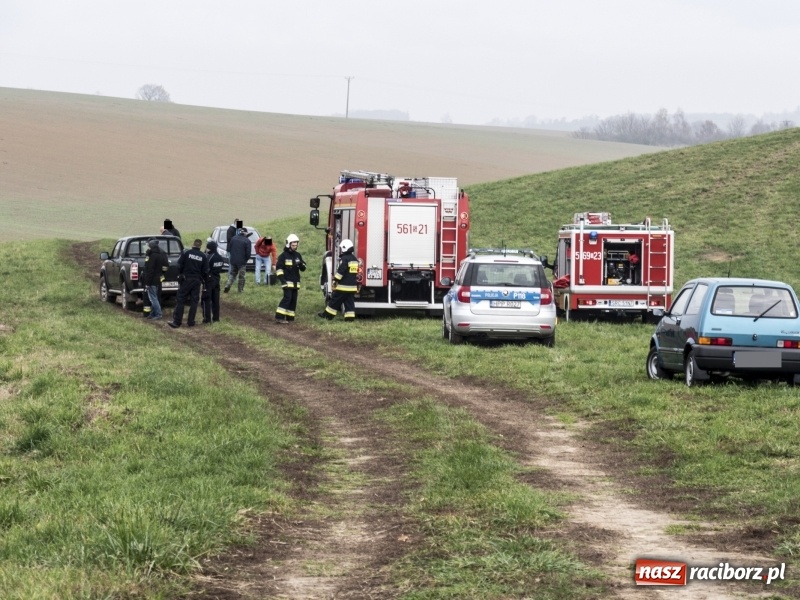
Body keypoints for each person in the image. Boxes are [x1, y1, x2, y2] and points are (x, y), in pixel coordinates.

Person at [168, 239, 209, 329]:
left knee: (181, 299)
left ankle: (177, 322)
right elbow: (206, 270)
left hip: (186, 279)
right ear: (200, 246)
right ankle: (191, 322)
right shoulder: (203, 256)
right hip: (197, 280)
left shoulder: (187, 253)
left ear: (193, 244)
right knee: (194, 301)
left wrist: (181, 274)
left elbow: (178, 265)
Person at [318, 239, 359, 321]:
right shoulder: (355, 259)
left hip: (343, 286)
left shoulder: (344, 259)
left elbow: (341, 272)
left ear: (344, 248)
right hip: (352, 287)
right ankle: (350, 318)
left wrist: (335, 279)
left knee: (335, 301)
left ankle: (327, 315)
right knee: (349, 303)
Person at [274, 233, 306, 324]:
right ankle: (279, 317)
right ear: (288, 244)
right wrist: (283, 281)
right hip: (287, 283)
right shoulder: (283, 256)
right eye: (293, 245)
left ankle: (290, 318)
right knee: (287, 298)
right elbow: (279, 269)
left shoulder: (298, 255)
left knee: (293, 300)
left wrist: (300, 264)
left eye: (296, 245)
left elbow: (303, 268)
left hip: (295, 283)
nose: (295, 247)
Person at [142, 239, 169, 320]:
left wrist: (147, 282)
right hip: (158, 279)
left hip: (152, 280)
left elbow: (150, 270)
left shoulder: (153, 256)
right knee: (155, 297)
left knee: (153, 298)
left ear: (151, 247)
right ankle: (153, 313)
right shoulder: (160, 254)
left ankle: (158, 314)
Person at [201, 240, 225, 324]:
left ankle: (207, 319)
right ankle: (216, 318)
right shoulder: (220, 257)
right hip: (217, 280)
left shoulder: (209, 257)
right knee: (216, 300)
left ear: (210, 248)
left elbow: (205, 268)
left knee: (206, 299)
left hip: (208, 281)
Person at [224, 227, 252, 293]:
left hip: (233, 260)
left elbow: (229, 249)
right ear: (246, 233)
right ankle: (240, 290)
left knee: (232, 274)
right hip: (242, 262)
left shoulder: (233, 238)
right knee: (241, 276)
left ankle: (227, 285)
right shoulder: (247, 241)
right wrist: (245, 260)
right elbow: (248, 253)